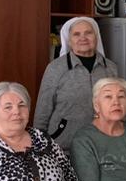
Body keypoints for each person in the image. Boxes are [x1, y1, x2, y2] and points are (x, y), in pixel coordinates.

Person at [34, 17, 119, 149]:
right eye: (76, 34)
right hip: (63, 148)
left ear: (96, 36)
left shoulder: (111, 68)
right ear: (69, 40)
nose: (83, 38)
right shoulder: (55, 68)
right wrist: (39, 145)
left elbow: (119, 104)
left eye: (88, 33)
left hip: (102, 145)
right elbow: (43, 110)